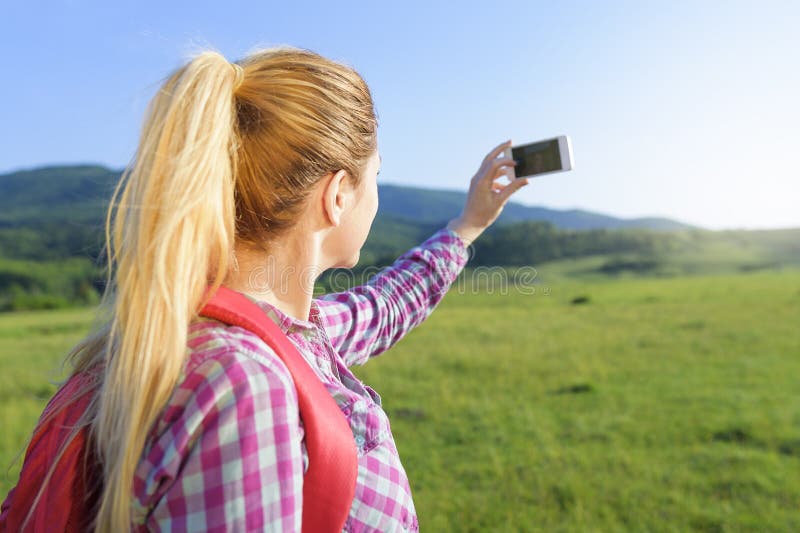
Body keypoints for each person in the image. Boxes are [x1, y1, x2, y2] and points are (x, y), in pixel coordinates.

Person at [7, 47, 529, 531]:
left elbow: (384, 306)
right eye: (375, 178)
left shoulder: (272, 336)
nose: (377, 198)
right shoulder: (243, 383)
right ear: (338, 195)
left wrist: (468, 225)